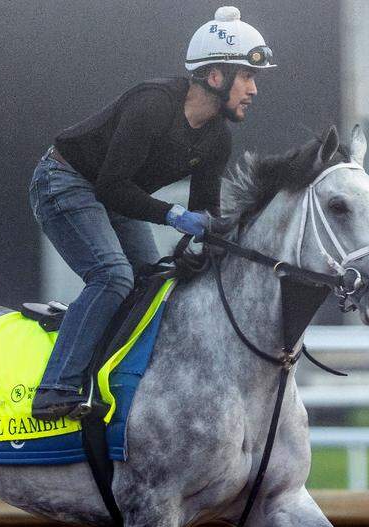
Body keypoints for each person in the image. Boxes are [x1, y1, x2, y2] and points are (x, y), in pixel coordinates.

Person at [28, 6, 275, 421]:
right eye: (247, 77)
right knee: (112, 276)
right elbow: (110, 187)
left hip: (117, 195)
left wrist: (228, 241)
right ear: (216, 77)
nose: (253, 90)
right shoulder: (152, 106)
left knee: (152, 281)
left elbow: (205, 215)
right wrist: (175, 216)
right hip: (64, 181)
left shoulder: (217, 140)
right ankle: (56, 387)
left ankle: (120, 377)